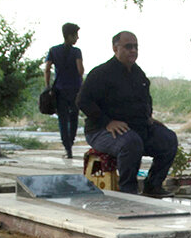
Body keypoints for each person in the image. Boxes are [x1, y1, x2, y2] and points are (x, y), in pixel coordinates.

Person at [76, 31, 178, 195]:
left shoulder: (139, 74)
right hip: (102, 131)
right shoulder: (101, 73)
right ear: (115, 48)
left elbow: (145, 100)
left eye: (135, 47)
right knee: (131, 143)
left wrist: (148, 118)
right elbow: (83, 101)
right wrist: (107, 122)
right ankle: (128, 191)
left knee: (168, 139)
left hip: (137, 128)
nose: (133, 50)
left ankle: (153, 185)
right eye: (128, 46)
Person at [44, 22, 84, 159]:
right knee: (73, 118)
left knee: (62, 119)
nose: (77, 38)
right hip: (75, 90)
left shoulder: (53, 50)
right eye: (76, 35)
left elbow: (47, 69)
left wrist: (48, 86)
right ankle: (70, 144)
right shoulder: (76, 51)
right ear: (70, 36)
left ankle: (67, 149)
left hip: (59, 89)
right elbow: (80, 71)